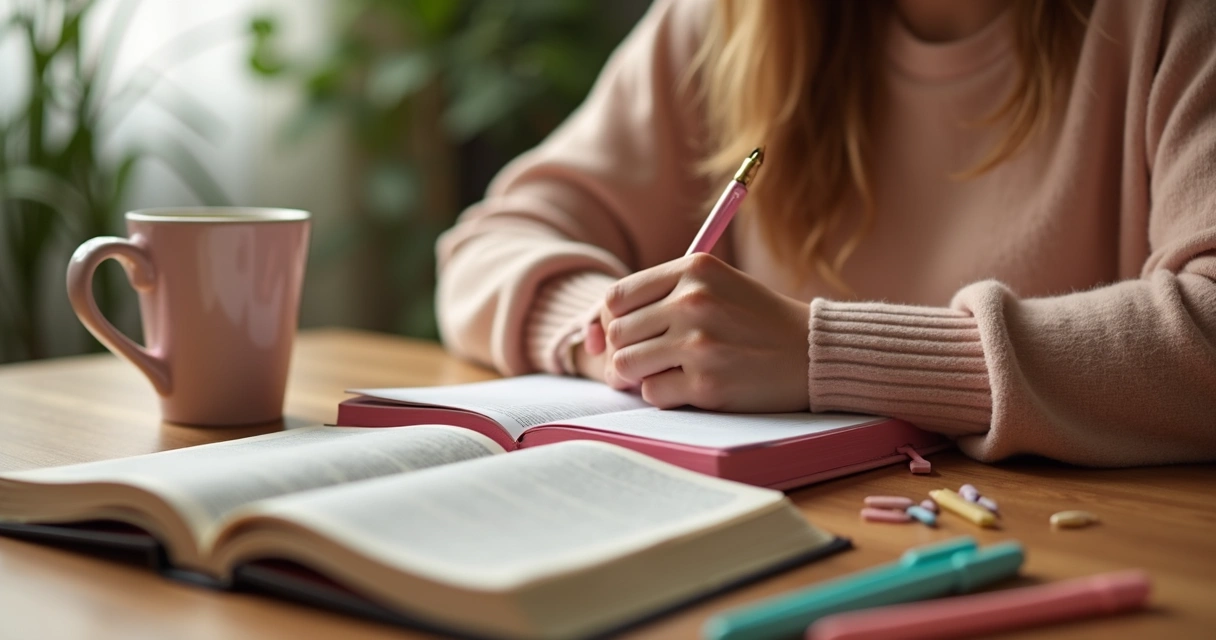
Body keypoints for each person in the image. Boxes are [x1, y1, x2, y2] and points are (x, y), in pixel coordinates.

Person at [435, 0, 1216, 467]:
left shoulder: (1171, 22)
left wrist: (821, 353)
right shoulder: (734, 21)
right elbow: (491, 240)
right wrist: (609, 332)